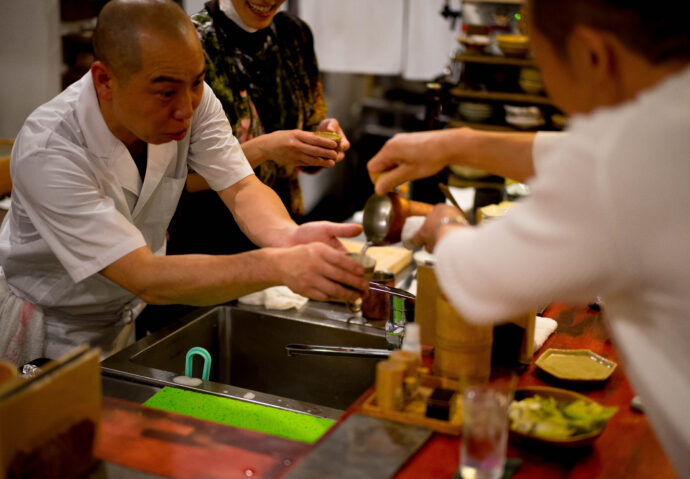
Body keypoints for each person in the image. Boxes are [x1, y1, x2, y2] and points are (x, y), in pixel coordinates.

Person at [367, 0, 689, 475]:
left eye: (541, 59)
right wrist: (453, 143)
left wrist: (441, 225)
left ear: (591, 55)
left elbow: (480, 283)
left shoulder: (627, 157)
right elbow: (569, 153)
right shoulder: (668, 116)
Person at [0, 0, 368, 367]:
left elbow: (240, 187)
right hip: (48, 333)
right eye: (165, 93)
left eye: (196, 83)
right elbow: (144, 275)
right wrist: (278, 266)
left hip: (123, 319)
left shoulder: (192, 95)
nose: (186, 108)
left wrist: (288, 238)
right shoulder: (50, 149)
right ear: (105, 80)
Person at [167, 0, 350, 256]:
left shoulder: (294, 35)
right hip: (209, 243)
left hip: (283, 230)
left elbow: (306, 135)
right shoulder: (187, 44)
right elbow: (175, 180)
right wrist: (264, 149)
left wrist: (322, 139)